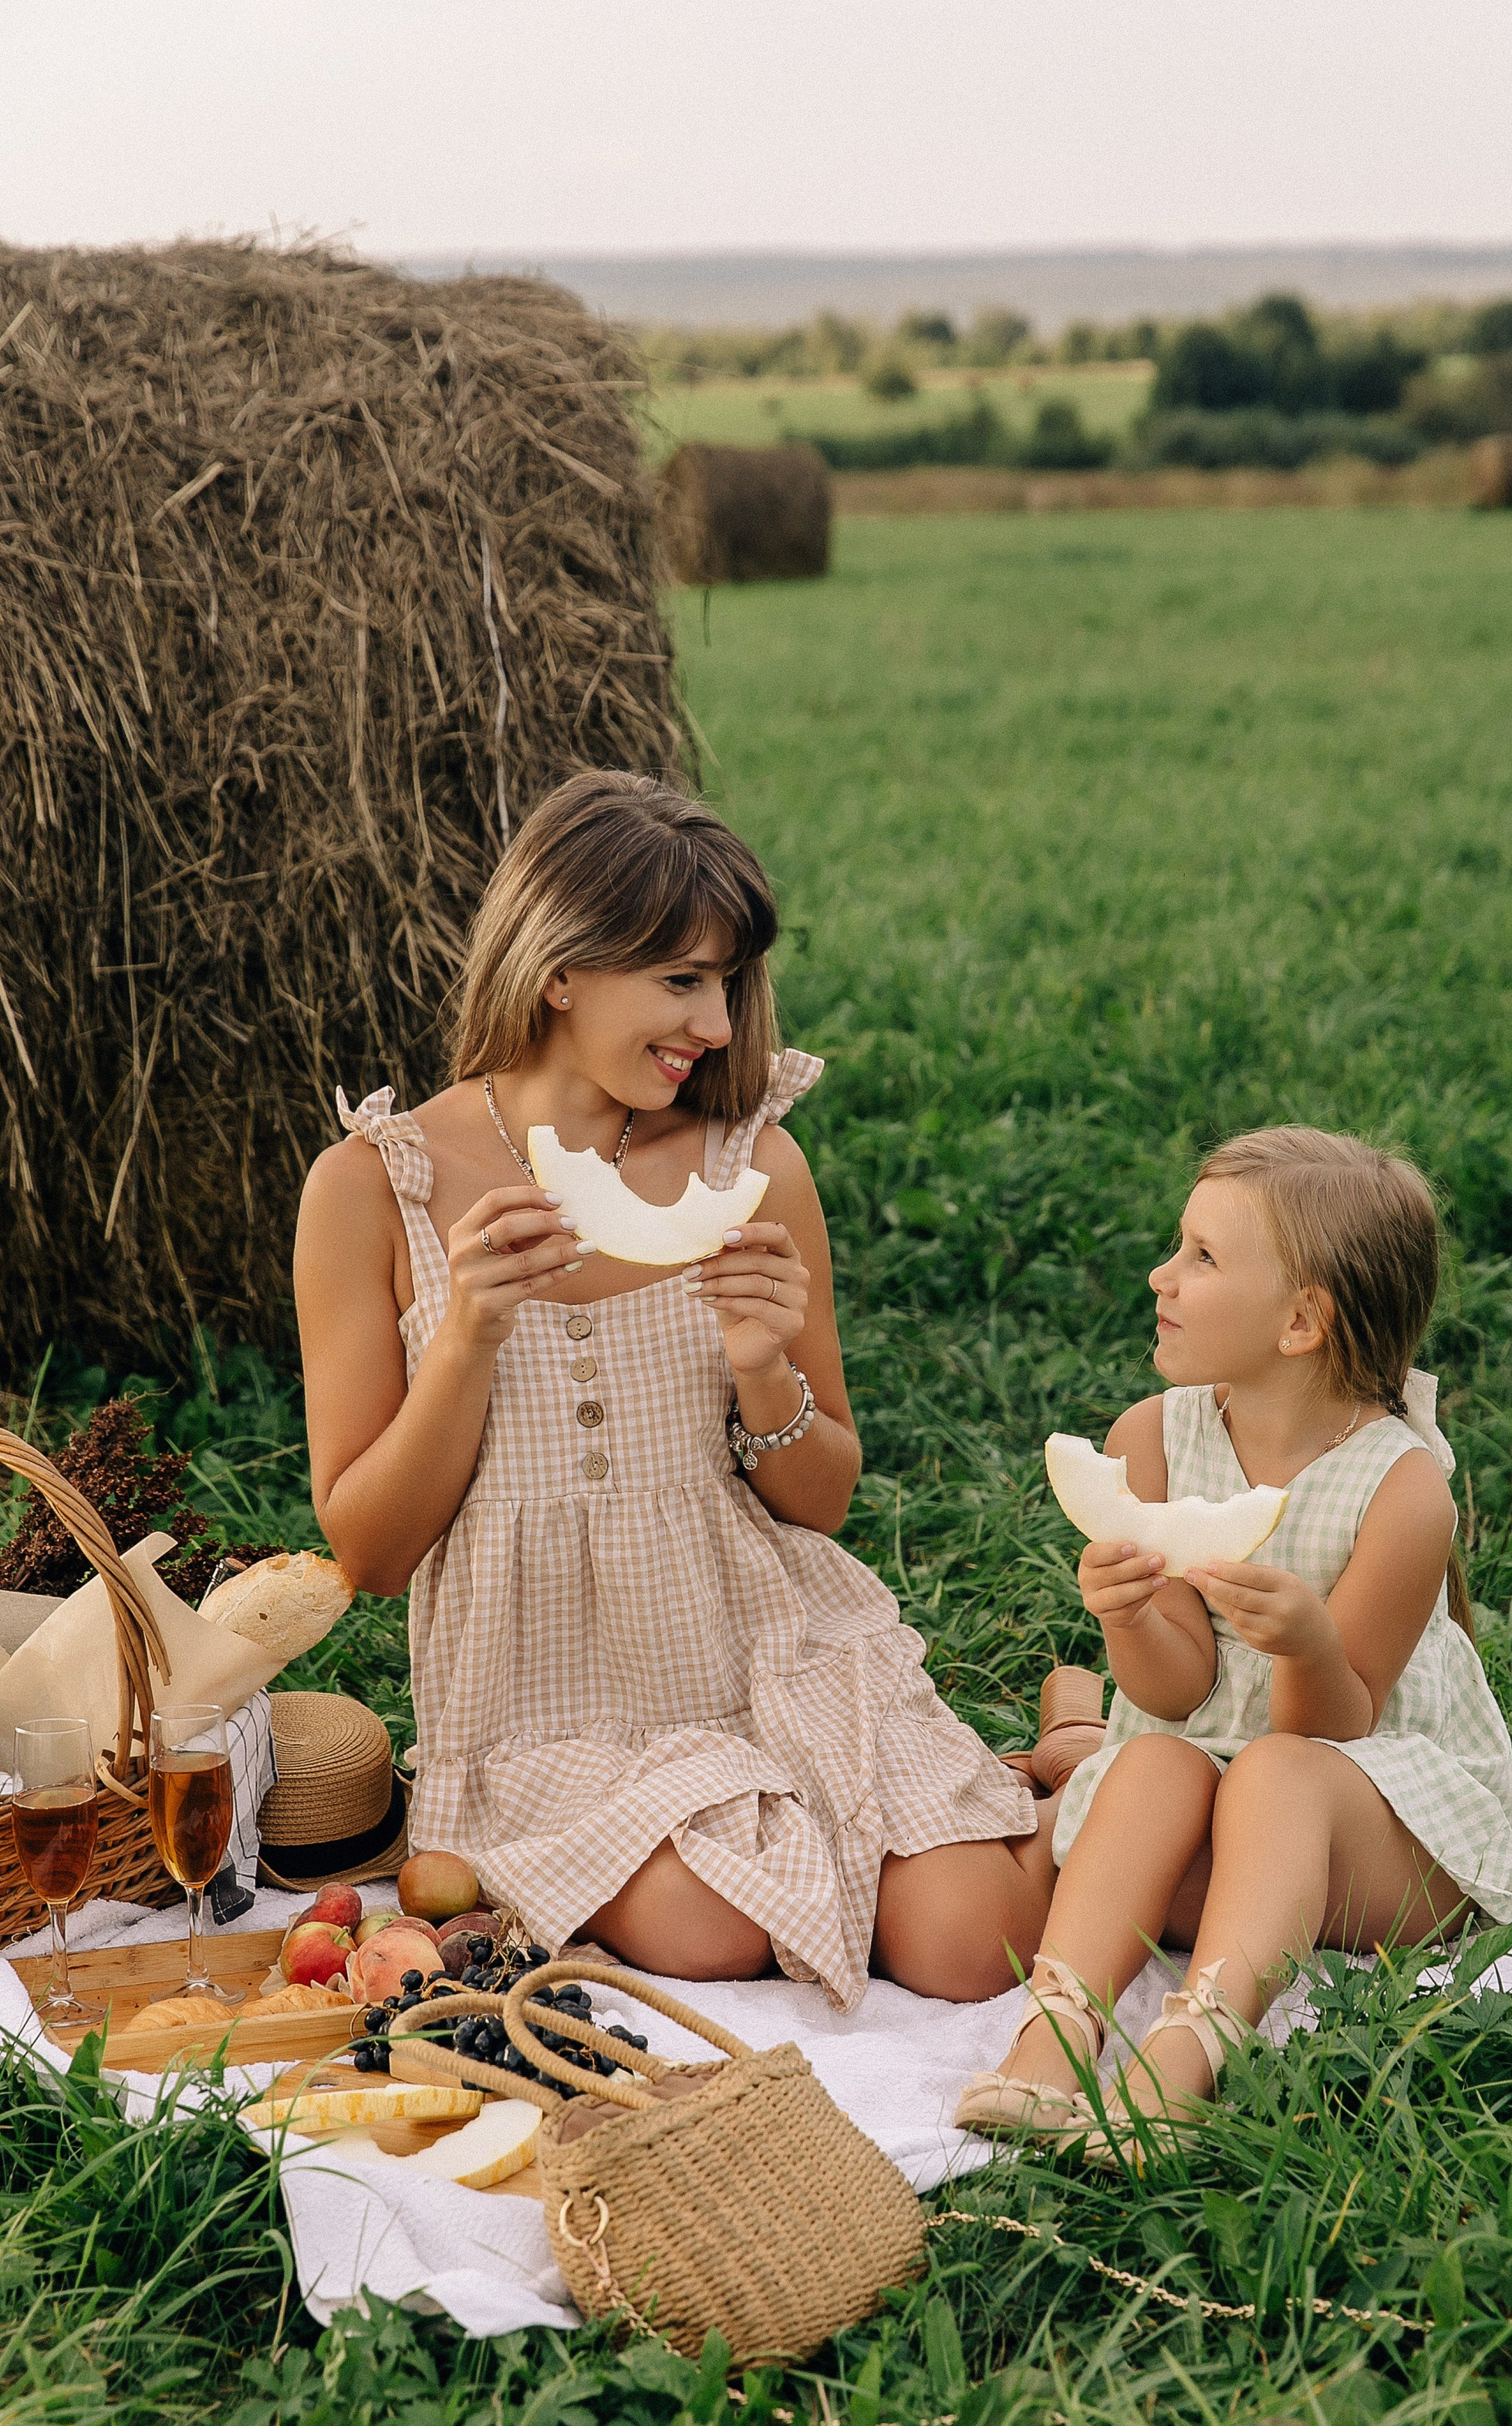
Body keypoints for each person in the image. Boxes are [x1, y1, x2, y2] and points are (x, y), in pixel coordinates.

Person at [295, 770, 1055, 2009]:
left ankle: (1069, 1764)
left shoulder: (754, 1164)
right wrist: (469, 1340)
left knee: (971, 1947)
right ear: (560, 970)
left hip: (768, 1641)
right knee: (714, 1935)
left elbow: (822, 1504)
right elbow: (371, 1555)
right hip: (546, 1705)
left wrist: (764, 1371)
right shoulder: (373, 1187)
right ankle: (1023, 1778)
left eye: (730, 981)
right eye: (681, 980)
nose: (715, 1021)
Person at [956, 1123, 1512, 2159]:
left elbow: (1336, 1727)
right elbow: (1175, 1696)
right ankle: (1056, 2029)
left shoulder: (1400, 1490)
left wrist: (1310, 1648)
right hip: (1224, 1816)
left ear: (1303, 1322)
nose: (1160, 1275)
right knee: (1153, 1770)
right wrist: (1130, 1614)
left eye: (1202, 1259)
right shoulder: (1152, 1440)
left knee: (1273, 1772)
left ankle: (1193, 2056)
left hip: (1381, 1835)